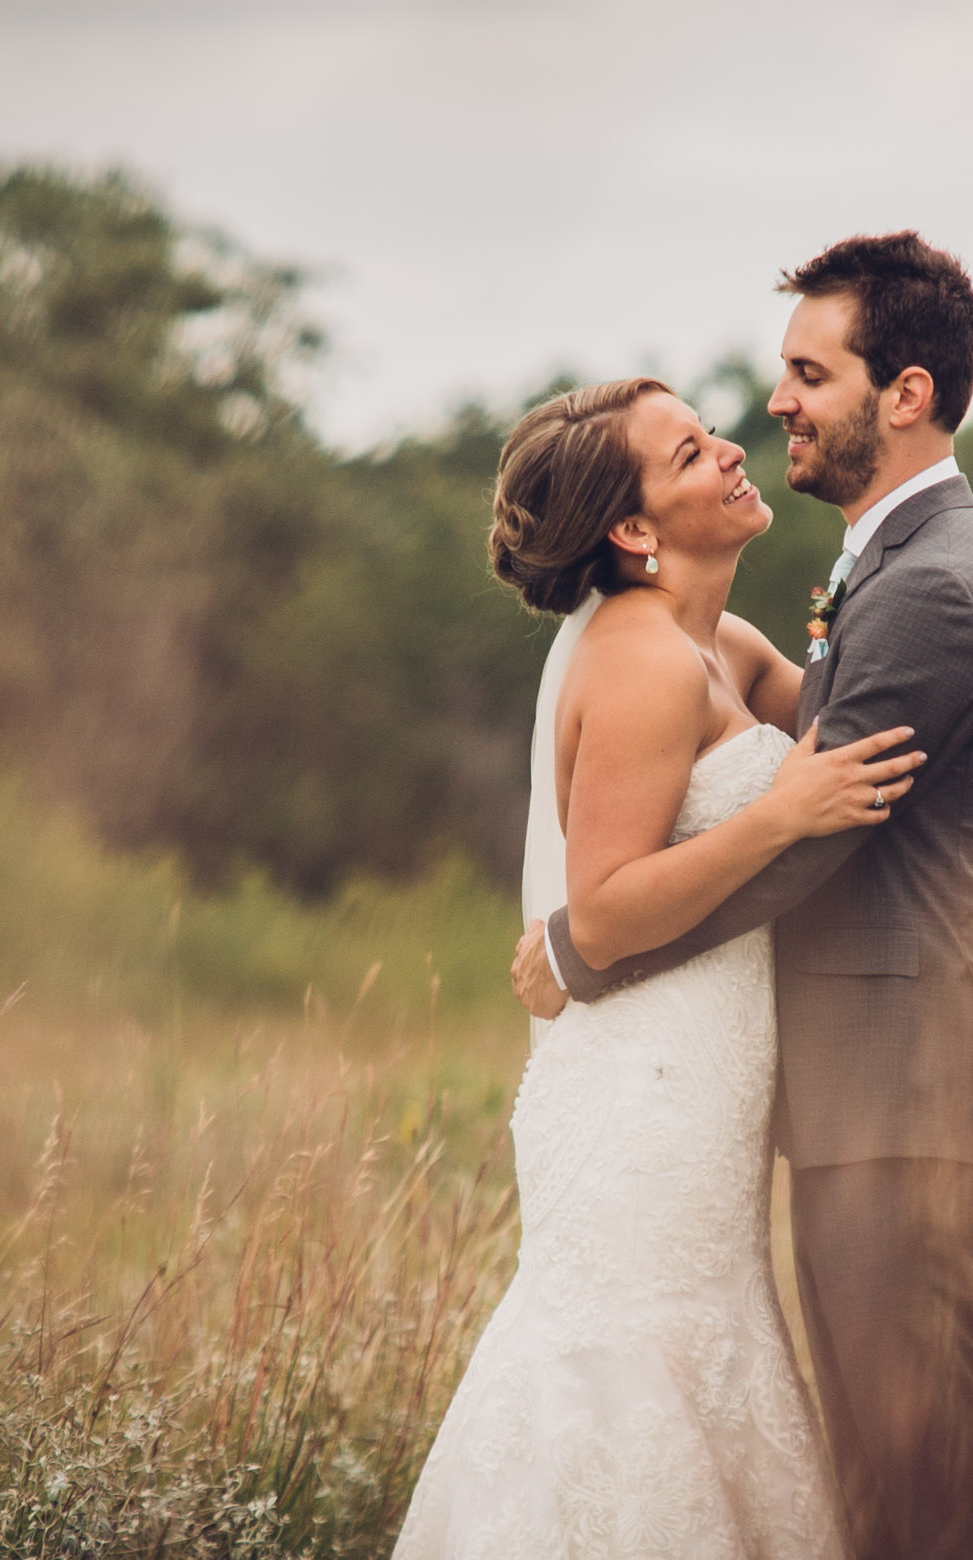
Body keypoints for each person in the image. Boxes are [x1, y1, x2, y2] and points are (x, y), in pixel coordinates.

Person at [515, 232, 973, 1560]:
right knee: (908, 1488)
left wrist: (585, 944)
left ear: (903, 394)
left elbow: (800, 844)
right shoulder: (881, 572)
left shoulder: (929, 589)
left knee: (934, 1495)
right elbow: (782, 752)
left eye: (806, 373)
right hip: (866, 1103)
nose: (774, 404)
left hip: (904, 1098)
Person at [391, 373, 922, 1559]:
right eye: (689, 454)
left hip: (704, 1073)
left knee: (699, 1342)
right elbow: (608, 906)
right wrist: (779, 820)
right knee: (635, 1359)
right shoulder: (636, 660)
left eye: (709, 434)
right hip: (643, 1092)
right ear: (632, 531)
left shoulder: (716, 639)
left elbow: (841, 726)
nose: (731, 453)